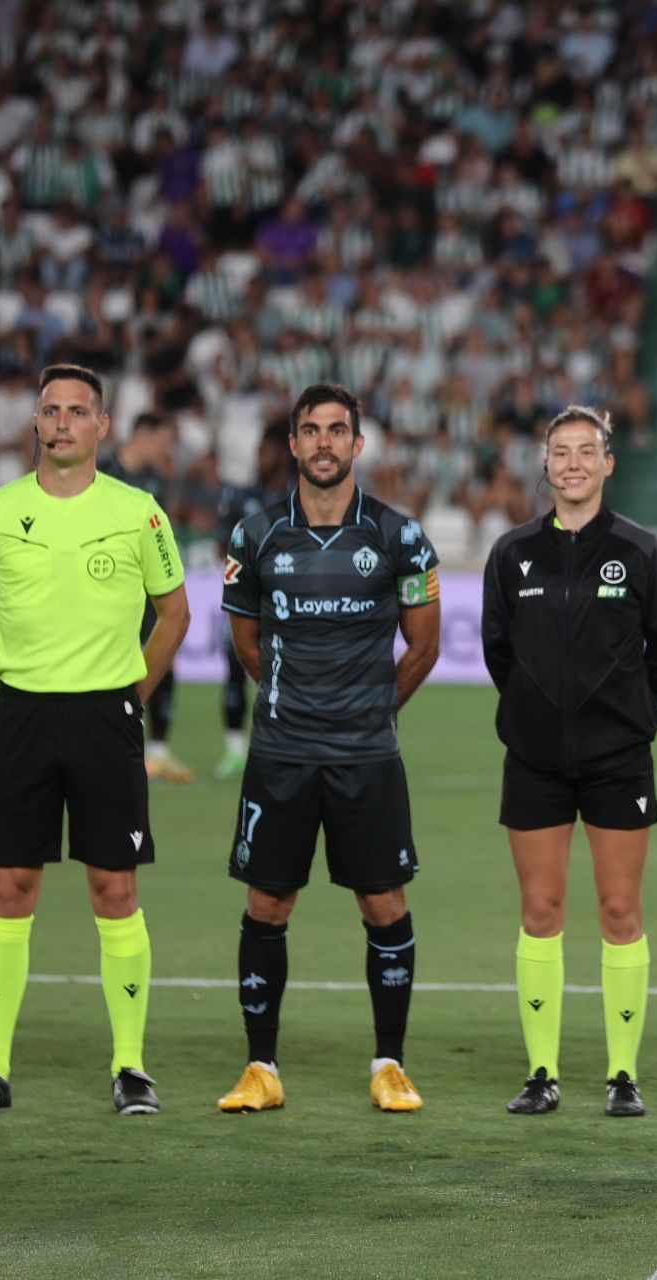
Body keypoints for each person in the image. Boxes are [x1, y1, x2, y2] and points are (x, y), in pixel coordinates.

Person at [0, 363, 190, 1117]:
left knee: (115, 889)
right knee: (10, 887)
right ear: (36, 424)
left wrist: (130, 696)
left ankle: (130, 1067)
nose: (61, 423)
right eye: (50, 411)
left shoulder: (139, 512)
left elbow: (174, 613)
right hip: (22, 716)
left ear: (102, 427)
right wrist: (14, 665)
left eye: (77, 411)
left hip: (105, 720)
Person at [215, 383, 441, 1115]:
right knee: (268, 903)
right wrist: (291, 701)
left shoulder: (400, 536)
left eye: (336, 431)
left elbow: (424, 644)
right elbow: (246, 643)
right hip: (281, 754)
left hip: (366, 757)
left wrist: (372, 709)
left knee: (384, 904)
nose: (323, 443)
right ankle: (261, 1068)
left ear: (357, 444)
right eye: (310, 430)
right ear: (292, 443)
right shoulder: (254, 537)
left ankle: (390, 1065)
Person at [481, 407, 657, 1117]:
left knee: (620, 910)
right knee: (540, 911)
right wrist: (538, 716)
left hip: (617, 761)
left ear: (607, 464)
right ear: (545, 465)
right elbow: (498, 655)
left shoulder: (640, 551)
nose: (571, 463)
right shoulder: (512, 554)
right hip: (534, 760)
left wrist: (626, 720)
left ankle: (622, 1075)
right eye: (559, 452)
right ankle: (542, 1072)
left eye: (585, 451)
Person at [100, 412, 195, 783]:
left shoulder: (156, 479)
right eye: (164, 440)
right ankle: (117, 744)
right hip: (111, 589)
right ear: (144, 435)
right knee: (115, 665)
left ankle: (157, 751)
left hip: (146, 588)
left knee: (163, 658)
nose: (167, 449)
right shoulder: (104, 472)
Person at [212, 423, 291, 782]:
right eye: (259, 451)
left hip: (287, 604)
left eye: (267, 451)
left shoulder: (298, 498)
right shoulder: (242, 497)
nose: (261, 458)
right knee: (235, 668)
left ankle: (283, 744)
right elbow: (221, 545)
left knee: (285, 675)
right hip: (247, 600)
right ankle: (233, 750)